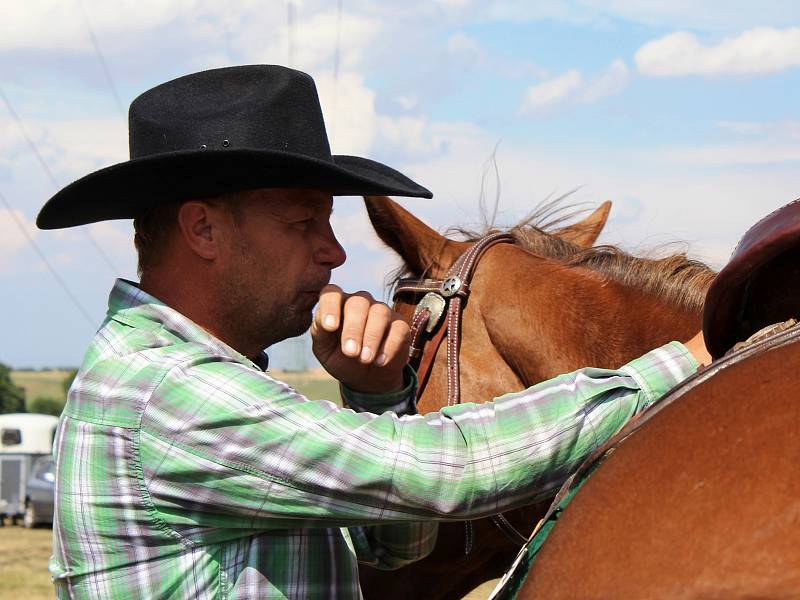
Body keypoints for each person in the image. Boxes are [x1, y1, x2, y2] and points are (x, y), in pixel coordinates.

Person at [38, 65, 711, 599]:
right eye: (305, 224)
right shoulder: (166, 394)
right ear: (203, 229)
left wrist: (379, 394)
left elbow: (397, 547)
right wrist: (684, 364)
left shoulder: (185, 380)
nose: (333, 253)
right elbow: (450, 472)